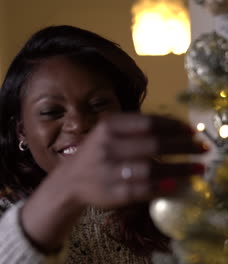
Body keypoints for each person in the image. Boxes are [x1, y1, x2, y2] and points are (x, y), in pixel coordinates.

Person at [0, 25, 208, 263]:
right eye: (51, 111)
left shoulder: (174, 208)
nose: (78, 124)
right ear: (21, 131)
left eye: (98, 104)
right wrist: (68, 188)